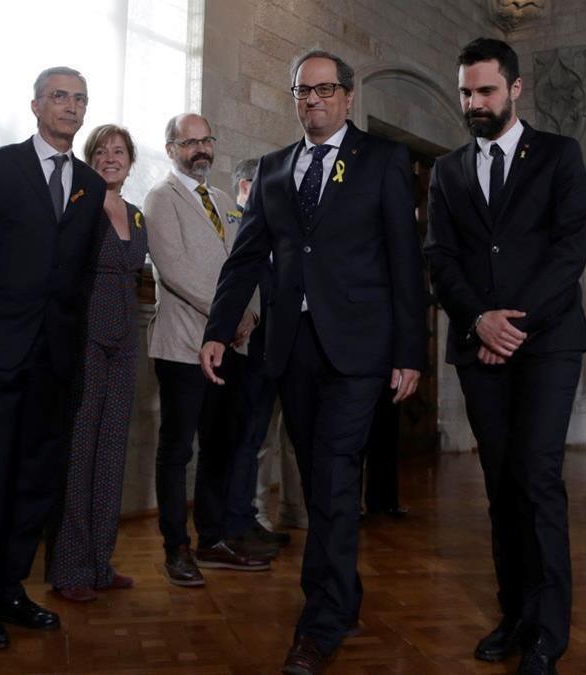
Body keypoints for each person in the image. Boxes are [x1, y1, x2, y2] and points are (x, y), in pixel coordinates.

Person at [198, 50, 427, 674]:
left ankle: (319, 623)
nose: (314, 100)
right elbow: (244, 258)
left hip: (358, 350)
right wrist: (219, 329)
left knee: (330, 477)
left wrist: (410, 351)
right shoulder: (273, 170)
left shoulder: (382, 160)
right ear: (294, 97)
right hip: (289, 350)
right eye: (303, 90)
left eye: (326, 89)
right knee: (320, 472)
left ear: (348, 97)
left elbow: (405, 263)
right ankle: (344, 597)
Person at [423, 38, 586, 675]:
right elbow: (440, 258)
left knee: (537, 478)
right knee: (500, 484)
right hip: (477, 342)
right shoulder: (446, 171)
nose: (474, 103)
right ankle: (515, 614)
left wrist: (510, 325)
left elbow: (570, 250)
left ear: (515, 89)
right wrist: (478, 320)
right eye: (467, 92)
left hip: (546, 342)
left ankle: (550, 632)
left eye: (486, 91)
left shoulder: (559, 155)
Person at [0, 66, 109, 650]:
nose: (70, 106)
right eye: (59, 97)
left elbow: (84, 273)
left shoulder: (91, 184)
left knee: (37, 477)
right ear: (36, 105)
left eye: (79, 99)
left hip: (55, 357)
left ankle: (12, 588)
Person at [144, 113, 268, 589]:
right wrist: (227, 316)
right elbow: (175, 270)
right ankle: (175, 547)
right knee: (177, 450)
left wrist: (250, 312)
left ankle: (212, 539)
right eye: (189, 141)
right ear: (171, 146)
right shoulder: (161, 198)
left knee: (222, 445)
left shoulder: (222, 200)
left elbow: (247, 261)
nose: (200, 149)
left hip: (232, 344)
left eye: (206, 140)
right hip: (184, 345)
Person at [46, 124, 148, 602]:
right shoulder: (80, 203)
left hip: (128, 342)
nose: (111, 157)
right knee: (79, 452)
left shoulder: (138, 216)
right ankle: (68, 567)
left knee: (111, 454)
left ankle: (100, 564)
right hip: (86, 335)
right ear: (89, 158)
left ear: (131, 160)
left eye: (120, 151)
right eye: (102, 150)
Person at [230, 158, 294, 546]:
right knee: (246, 439)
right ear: (244, 188)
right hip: (246, 349)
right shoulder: (234, 227)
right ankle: (243, 518)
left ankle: (258, 516)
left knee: (263, 440)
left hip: (277, 350)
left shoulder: (275, 231)